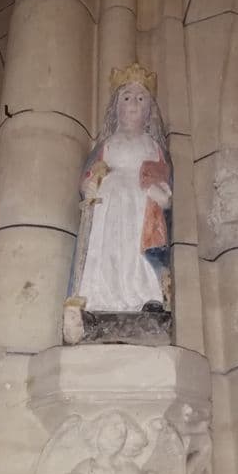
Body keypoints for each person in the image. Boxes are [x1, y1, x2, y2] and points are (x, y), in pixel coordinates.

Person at [72, 64, 172, 313]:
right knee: (107, 249)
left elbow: (164, 183)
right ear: (116, 108)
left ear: (149, 111)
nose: (133, 104)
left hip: (140, 206)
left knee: (134, 253)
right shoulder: (108, 143)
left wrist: (159, 194)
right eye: (126, 98)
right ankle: (98, 298)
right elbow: (90, 174)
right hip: (109, 205)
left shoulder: (152, 146)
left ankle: (145, 294)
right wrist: (90, 185)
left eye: (140, 99)